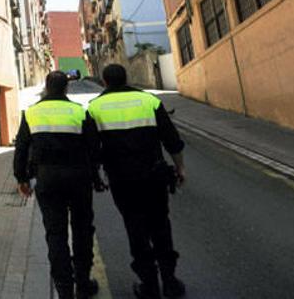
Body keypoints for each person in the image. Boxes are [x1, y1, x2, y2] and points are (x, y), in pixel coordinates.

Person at [86, 64, 186, 299]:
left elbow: (92, 151)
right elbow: (172, 140)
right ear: (126, 78)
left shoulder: (95, 107)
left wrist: (96, 177)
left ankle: (149, 285)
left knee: (136, 229)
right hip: (155, 176)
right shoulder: (149, 101)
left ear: (104, 81)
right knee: (161, 226)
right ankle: (170, 282)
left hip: (123, 181)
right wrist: (180, 167)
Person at [13, 71, 103, 299]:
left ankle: (64, 289)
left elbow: (21, 148)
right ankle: (83, 283)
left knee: (56, 234)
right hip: (79, 179)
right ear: (66, 88)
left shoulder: (31, 113)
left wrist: (21, 178)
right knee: (83, 231)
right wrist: (95, 176)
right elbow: (94, 149)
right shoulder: (80, 112)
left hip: (47, 180)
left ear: (46, 86)